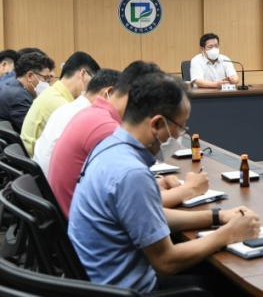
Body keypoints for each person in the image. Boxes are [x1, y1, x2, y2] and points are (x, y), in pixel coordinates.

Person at [68, 72, 260, 293]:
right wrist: (229, 234)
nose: (179, 136)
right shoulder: (132, 173)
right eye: (180, 127)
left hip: (102, 282)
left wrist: (217, 216)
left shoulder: (109, 146)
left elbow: (150, 216)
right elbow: (167, 262)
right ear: (158, 124)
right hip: (131, 291)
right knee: (235, 286)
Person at [49, 61, 208, 217]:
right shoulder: (106, 127)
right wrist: (189, 189)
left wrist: (155, 183)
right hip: (75, 223)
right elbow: (140, 204)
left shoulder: (95, 114)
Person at [34, 69, 120, 177]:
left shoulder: (70, 107)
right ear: (109, 93)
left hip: (41, 179)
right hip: (50, 182)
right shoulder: (93, 118)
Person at [21, 51, 100, 156]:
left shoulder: (55, 93)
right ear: (83, 74)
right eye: (93, 81)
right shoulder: (57, 102)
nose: (93, 88)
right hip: (35, 161)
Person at [0, 52, 55, 132]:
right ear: (30, 76)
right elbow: (33, 131)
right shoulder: (19, 97)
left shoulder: (10, 81)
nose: (47, 83)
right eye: (45, 78)